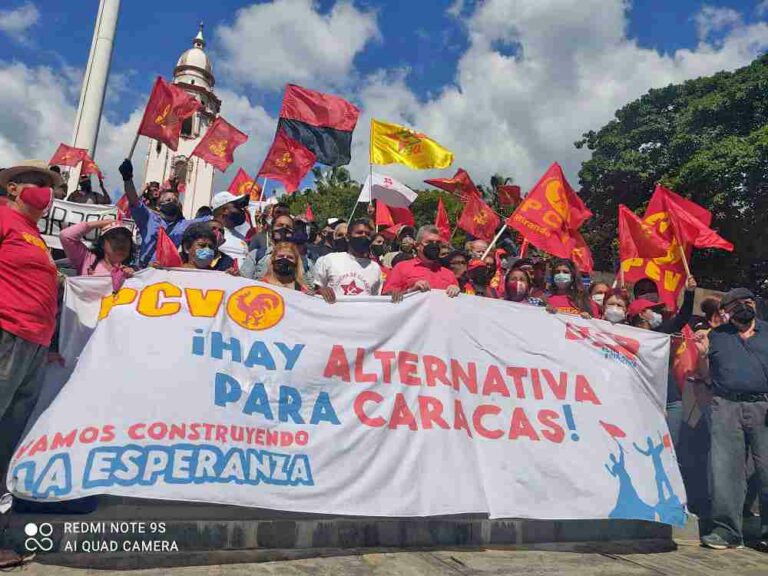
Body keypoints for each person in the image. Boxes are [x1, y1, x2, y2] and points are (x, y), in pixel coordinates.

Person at [0, 163, 61, 561]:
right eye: (38, 183)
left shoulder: (34, 235)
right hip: (7, 334)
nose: (46, 191)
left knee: (6, 440)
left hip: (35, 344)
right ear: (14, 188)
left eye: (50, 185)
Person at [696, 288, 768, 550]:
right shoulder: (716, 336)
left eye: (748, 301)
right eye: (737, 303)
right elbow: (704, 375)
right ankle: (726, 532)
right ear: (726, 310)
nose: (745, 305)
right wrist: (702, 353)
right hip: (725, 406)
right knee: (726, 471)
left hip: (764, 405)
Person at [118, 159, 208, 268]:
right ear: (159, 205)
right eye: (168, 200)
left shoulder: (184, 225)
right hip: (143, 270)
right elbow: (133, 200)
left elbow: (210, 220)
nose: (171, 202)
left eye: (175, 201)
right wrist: (127, 179)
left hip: (166, 272)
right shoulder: (148, 218)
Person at [382, 225, 460, 302]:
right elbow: (387, 297)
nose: (434, 245)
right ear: (417, 245)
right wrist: (411, 291)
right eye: (429, 242)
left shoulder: (449, 274)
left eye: (438, 242)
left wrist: (456, 291)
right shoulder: (401, 268)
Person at [312, 219, 382, 303]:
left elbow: (375, 300)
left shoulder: (375, 268)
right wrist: (321, 291)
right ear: (348, 237)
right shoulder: (329, 260)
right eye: (359, 233)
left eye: (367, 234)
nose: (364, 236)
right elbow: (316, 291)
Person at [59, 219, 135, 278]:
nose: (121, 244)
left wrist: (132, 277)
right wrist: (102, 223)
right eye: (114, 238)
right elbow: (66, 236)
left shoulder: (134, 271)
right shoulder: (87, 260)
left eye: (125, 239)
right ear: (102, 243)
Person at [241, 214, 296, 280]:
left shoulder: (301, 260)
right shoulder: (255, 255)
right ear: (272, 228)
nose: (284, 229)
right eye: (280, 225)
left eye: (288, 227)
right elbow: (243, 281)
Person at [211, 191, 251, 266]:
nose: (242, 210)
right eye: (237, 206)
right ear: (224, 210)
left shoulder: (241, 236)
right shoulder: (209, 232)